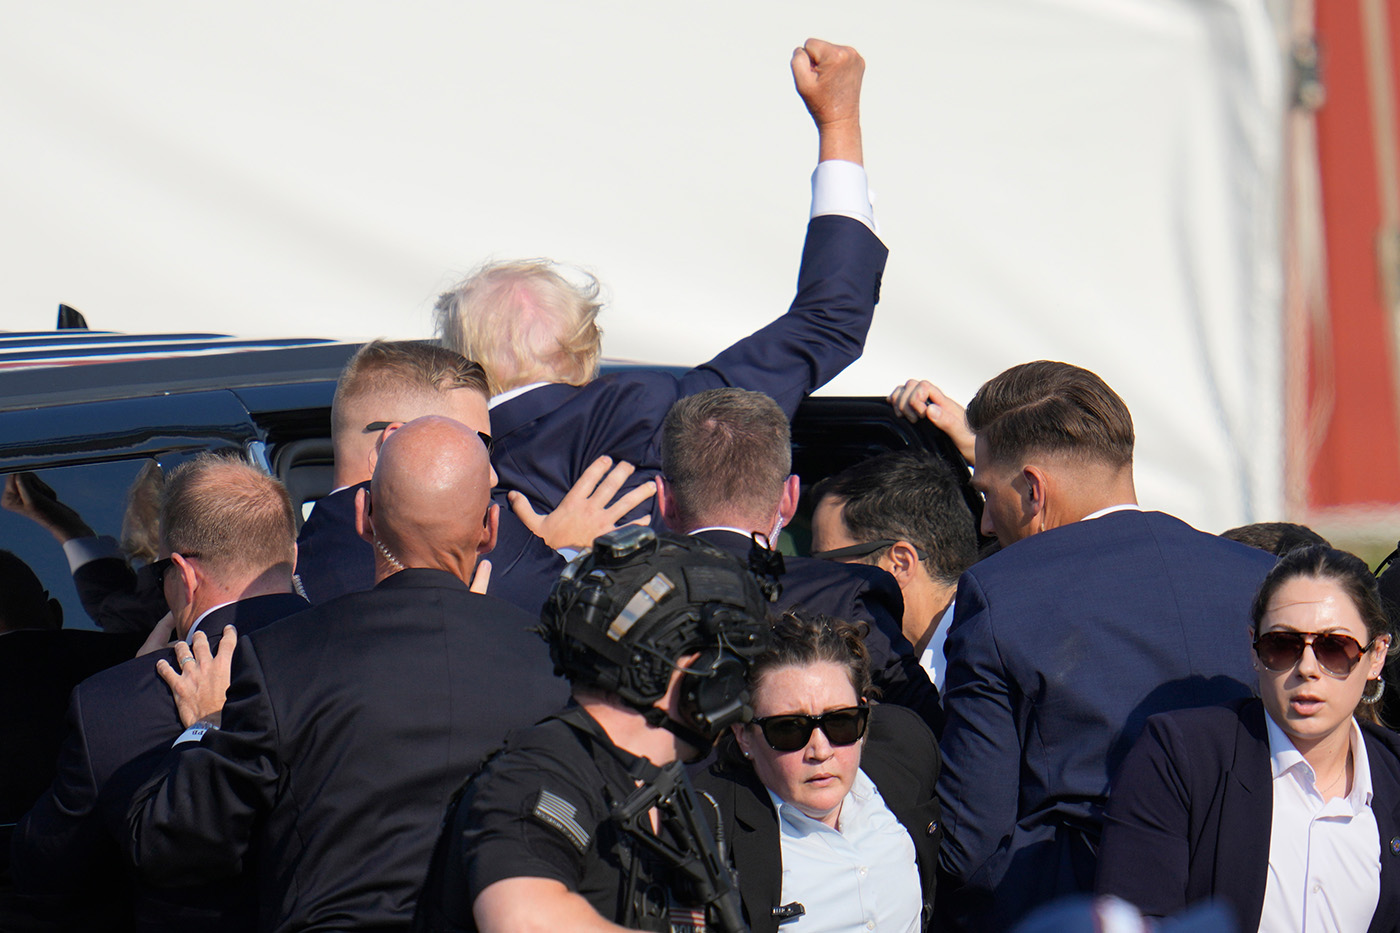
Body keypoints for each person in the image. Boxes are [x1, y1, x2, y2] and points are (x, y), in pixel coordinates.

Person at [124, 417, 566, 933]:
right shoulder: (552, 665)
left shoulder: (284, 658)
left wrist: (207, 724)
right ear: (489, 529)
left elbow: (174, 841)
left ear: (364, 515)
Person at [435, 38, 887, 529]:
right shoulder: (650, 409)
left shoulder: (434, 474)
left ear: (465, 366)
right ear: (585, 349)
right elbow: (828, 318)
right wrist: (838, 122)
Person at [934, 360, 1276, 930]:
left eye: (987, 494)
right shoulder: (1260, 576)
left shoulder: (1000, 593)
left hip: (1074, 907)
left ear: (1033, 488)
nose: (988, 524)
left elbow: (972, 843)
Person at [415, 527, 771, 933]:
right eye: (730, 662)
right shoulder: (538, 777)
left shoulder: (671, 796)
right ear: (697, 672)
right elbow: (523, 919)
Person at [10, 455, 309, 933]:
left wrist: (131, 684)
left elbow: (44, 872)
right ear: (292, 555)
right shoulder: (364, 652)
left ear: (184, 576)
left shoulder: (114, 705)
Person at [1096, 545, 1400, 931]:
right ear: (1255, 649)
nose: (1307, 667)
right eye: (1282, 645)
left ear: (1376, 656)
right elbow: (1134, 919)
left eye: (1333, 647)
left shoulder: (1392, 774)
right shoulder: (1181, 755)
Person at [656, 387, 944, 732]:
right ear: (790, 498)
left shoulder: (603, 591)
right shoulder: (847, 596)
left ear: (665, 500)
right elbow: (923, 732)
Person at [295, 339, 650, 616]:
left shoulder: (281, 564)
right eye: (473, 445)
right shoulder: (501, 545)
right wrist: (565, 552)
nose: (492, 475)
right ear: (394, 442)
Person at [695, 611, 942, 933]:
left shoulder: (907, 750)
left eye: (840, 722)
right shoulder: (708, 827)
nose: (820, 751)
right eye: (788, 729)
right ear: (744, 735)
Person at [810, 450, 977, 691]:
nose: (814, 581)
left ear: (899, 564)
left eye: (824, 564)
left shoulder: (983, 664)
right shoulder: (913, 672)